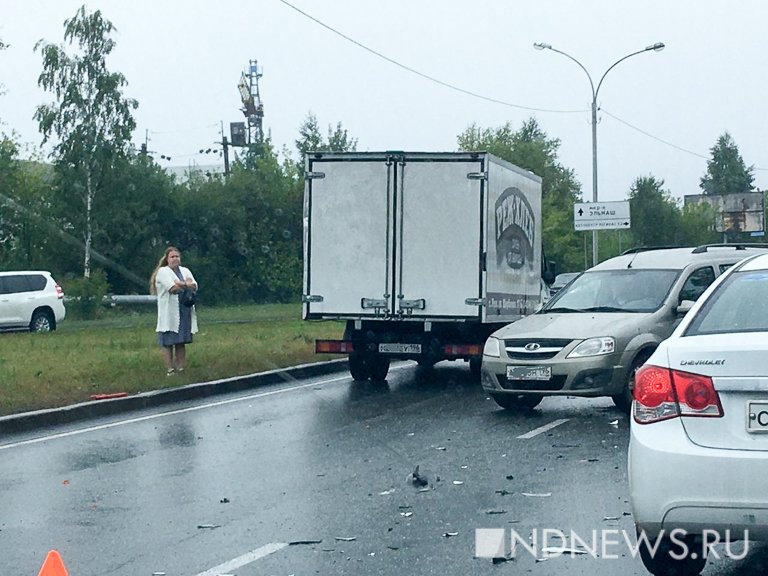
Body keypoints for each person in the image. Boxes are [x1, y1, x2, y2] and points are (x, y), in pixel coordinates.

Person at [149, 246, 198, 375]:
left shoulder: (185, 270)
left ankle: (181, 368)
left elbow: (194, 285)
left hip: (184, 310)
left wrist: (181, 283)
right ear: (167, 259)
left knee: (181, 341)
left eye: (177, 256)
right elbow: (172, 288)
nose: (175, 259)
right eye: (172, 257)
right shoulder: (163, 272)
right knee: (168, 342)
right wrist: (184, 284)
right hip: (169, 312)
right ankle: (170, 369)